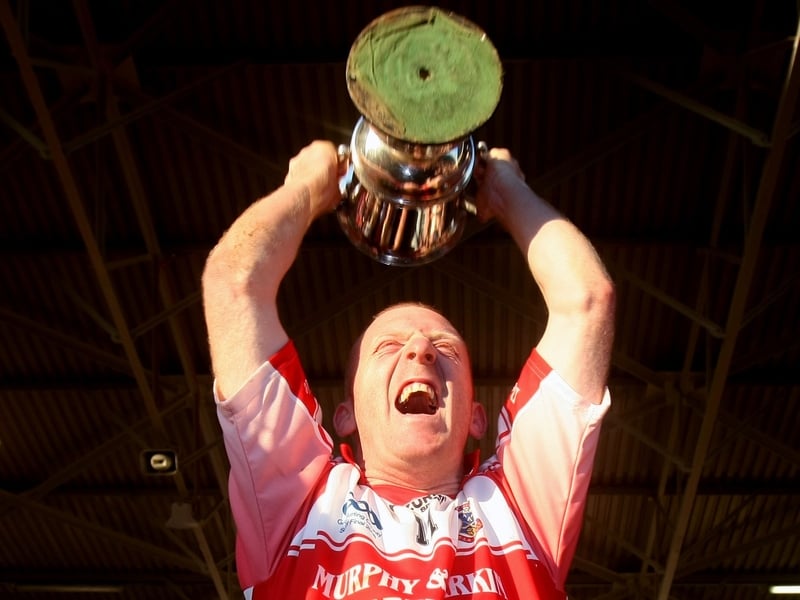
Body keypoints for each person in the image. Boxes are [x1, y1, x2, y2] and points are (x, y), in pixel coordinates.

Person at [202, 140, 615, 599]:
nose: (421, 349)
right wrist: (303, 187)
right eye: (388, 346)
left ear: (476, 417)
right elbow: (234, 284)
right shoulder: (299, 499)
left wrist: (507, 191)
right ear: (346, 414)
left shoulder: (519, 503)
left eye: (446, 349)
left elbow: (587, 302)